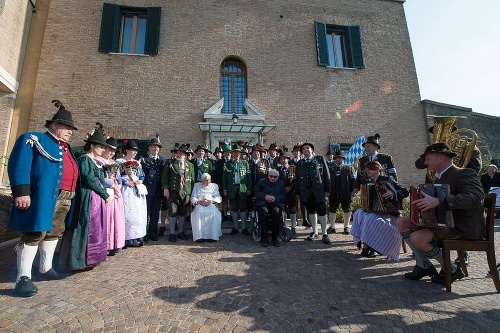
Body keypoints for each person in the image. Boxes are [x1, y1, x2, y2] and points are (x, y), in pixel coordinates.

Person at [8, 100, 78, 297]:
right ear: (55, 125)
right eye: (67, 127)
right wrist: (22, 192)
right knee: (34, 233)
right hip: (43, 196)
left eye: (71, 128)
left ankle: (45, 268)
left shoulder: (65, 147)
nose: (70, 131)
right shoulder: (33, 139)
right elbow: (19, 164)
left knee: (54, 232)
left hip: (65, 197)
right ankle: (23, 278)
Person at [396, 142, 484, 286]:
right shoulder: (438, 177)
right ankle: (423, 264)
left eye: (428, 159)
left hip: (461, 226)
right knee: (402, 222)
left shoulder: (464, 173)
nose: (425, 162)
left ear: (441, 157)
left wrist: (439, 201)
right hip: (442, 222)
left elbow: (476, 197)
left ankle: (452, 268)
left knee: (418, 237)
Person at [58, 128, 111, 271]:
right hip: (86, 198)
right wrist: (104, 194)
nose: (102, 149)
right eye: (100, 146)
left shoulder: (94, 161)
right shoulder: (84, 159)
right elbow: (89, 179)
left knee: (93, 228)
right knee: (83, 226)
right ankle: (78, 261)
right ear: (92, 146)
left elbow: (99, 179)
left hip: (94, 199)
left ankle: (91, 259)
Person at [350, 161, 408, 260]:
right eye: (366, 169)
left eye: (370, 169)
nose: (367, 171)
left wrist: (392, 193)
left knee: (370, 219)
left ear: (377, 169)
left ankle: (370, 246)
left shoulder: (387, 179)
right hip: (375, 211)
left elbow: (405, 191)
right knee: (358, 214)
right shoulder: (368, 183)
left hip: (389, 213)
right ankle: (367, 244)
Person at [294, 142, 332, 244]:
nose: (306, 150)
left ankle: (324, 233)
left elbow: (326, 176)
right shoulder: (299, 163)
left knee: (322, 210)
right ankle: (314, 232)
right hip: (306, 192)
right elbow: (297, 179)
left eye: (308, 148)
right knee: (311, 211)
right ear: (302, 152)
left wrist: (327, 190)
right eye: (304, 149)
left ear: (312, 150)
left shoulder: (319, 159)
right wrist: (298, 192)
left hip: (318, 191)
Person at [95, 137, 125, 256]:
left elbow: (119, 178)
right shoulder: (98, 161)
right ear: (104, 148)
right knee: (106, 218)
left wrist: (119, 186)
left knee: (115, 218)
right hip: (105, 192)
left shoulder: (114, 163)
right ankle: (105, 245)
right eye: (110, 150)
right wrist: (112, 185)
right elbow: (99, 177)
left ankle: (114, 244)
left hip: (115, 193)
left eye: (114, 151)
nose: (112, 153)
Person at [161, 143, 195, 242]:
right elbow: (164, 177)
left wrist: (190, 193)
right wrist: (166, 188)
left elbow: (192, 180)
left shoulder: (190, 165)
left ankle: (180, 232)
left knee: (182, 212)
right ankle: (172, 233)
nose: (179, 155)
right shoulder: (170, 163)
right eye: (178, 153)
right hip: (173, 191)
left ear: (185, 155)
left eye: (181, 153)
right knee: (172, 211)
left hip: (185, 192)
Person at [117, 140, 148, 247]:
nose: (134, 152)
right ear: (126, 150)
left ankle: (137, 237)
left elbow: (142, 175)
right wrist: (125, 182)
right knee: (127, 213)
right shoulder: (119, 162)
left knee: (138, 214)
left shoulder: (138, 163)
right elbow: (116, 176)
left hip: (136, 189)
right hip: (126, 189)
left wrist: (140, 181)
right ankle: (126, 239)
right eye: (132, 150)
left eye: (136, 151)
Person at [222, 144, 252, 235]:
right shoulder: (227, 164)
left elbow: (248, 177)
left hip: (242, 188)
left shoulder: (245, 163)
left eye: (239, 153)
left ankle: (243, 228)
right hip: (231, 189)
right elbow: (224, 178)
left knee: (243, 208)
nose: (237, 154)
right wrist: (224, 189)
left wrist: (249, 188)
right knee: (234, 208)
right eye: (235, 153)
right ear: (232, 154)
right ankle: (235, 228)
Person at [140, 136, 166, 241]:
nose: (155, 149)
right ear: (149, 148)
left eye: (157, 147)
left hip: (158, 190)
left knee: (155, 213)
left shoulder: (162, 160)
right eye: (153, 147)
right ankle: (143, 234)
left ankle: (153, 232)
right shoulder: (143, 160)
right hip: (147, 190)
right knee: (145, 213)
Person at [254, 169, 286, 247]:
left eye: (275, 177)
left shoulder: (281, 183)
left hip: (275, 202)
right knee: (264, 212)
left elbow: (283, 195)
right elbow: (256, 192)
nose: (273, 178)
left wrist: (275, 198)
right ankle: (265, 238)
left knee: (276, 212)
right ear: (268, 176)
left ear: (278, 177)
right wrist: (265, 196)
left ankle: (274, 238)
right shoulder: (261, 182)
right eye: (271, 176)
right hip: (263, 202)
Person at [326, 151, 356, 234]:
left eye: (340, 158)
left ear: (343, 159)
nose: (338, 159)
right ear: (335, 159)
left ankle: (346, 227)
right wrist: (327, 191)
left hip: (346, 193)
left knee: (347, 209)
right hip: (333, 193)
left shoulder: (349, 168)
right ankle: (332, 227)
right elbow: (327, 181)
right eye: (337, 158)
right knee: (332, 209)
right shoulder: (330, 169)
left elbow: (353, 180)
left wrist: (353, 190)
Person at [190, 173, 223, 242]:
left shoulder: (214, 186)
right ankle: (199, 237)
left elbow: (218, 197)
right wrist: (198, 202)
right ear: (201, 181)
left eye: (209, 180)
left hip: (211, 205)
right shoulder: (197, 185)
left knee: (213, 212)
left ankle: (213, 236)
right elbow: (193, 197)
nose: (208, 182)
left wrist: (212, 201)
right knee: (199, 212)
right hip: (199, 205)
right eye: (206, 180)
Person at [290, 143, 311, 228]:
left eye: (298, 152)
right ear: (292, 153)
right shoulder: (290, 162)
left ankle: (306, 219)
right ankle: (294, 221)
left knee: (305, 202)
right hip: (292, 183)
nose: (296, 153)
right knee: (294, 203)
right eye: (295, 152)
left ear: (300, 153)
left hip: (303, 183)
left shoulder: (303, 161)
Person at [276, 153, 297, 235]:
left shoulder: (293, 168)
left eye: (285, 159)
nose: (283, 160)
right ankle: (283, 226)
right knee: (282, 209)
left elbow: (296, 180)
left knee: (293, 210)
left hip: (291, 193)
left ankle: (293, 227)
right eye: (281, 159)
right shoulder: (277, 169)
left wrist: (291, 187)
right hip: (281, 193)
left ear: (288, 160)